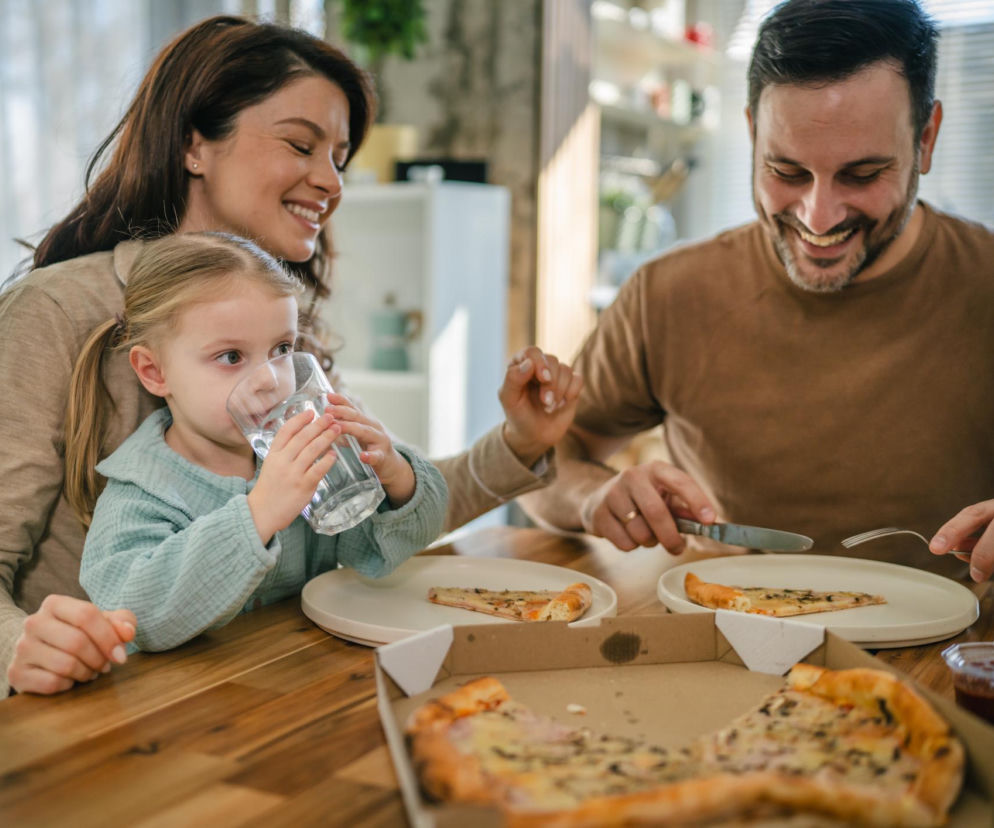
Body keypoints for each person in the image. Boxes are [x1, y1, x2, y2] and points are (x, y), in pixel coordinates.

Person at [0, 16, 581, 694]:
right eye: (301, 145)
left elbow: (366, 523)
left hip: (259, 694)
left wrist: (518, 443)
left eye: (339, 158)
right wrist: (21, 646)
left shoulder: (283, 336)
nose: (330, 182)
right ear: (194, 144)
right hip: (106, 715)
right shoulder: (56, 311)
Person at [523, 0, 994, 583]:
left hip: (949, 660)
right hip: (724, 648)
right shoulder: (669, 295)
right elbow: (543, 466)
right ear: (751, 133)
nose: (819, 218)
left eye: (863, 174)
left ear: (926, 138)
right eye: (787, 171)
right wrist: (594, 496)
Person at [70, 232, 445, 651]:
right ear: (155, 372)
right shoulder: (139, 492)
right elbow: (135, 616)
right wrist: (260, 513)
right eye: (231, 357)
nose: (269, 379)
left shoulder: (302, 460)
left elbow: (380, 552)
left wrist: (397, 479)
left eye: (281, 348)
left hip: (296, 682)